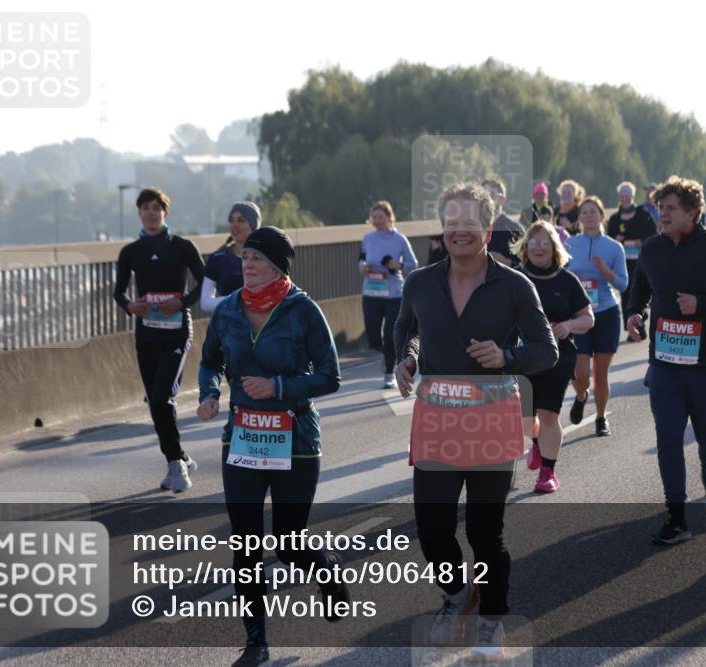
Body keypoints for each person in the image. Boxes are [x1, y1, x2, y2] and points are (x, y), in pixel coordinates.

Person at [394, 182, 557, 660]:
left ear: (487, 229)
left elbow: (545, 350)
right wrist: (406, 358)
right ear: (442, 229)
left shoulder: (514, 285)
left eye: (469, 224)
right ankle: (457, 594)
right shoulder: (420, 283)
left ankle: (492, 621)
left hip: (491, 417)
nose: (459, 232)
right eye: (451, 224)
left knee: (486, 533)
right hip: (437, 417)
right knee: (432, 528)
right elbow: (408, 328)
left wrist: (506, 355)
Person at [197, 226, 349, 665]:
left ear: (278, 265)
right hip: (242, 438)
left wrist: (278, 385)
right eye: (245, 257)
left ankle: (325, 569)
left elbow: (330, 375)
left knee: (287, 542)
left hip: (296, 439)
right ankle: (256, 641)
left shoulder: (302, 310)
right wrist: (209, 393)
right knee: (246, 545)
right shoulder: (227, 311)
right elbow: (210, 361)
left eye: (258, 258)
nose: (247, 264)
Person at [626, 175, 706, 545]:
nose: (662, 214)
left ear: (693, 213)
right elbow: (640, 292)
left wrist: (703, 305)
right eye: (659, 208)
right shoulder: (651, 249)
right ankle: (676, 516)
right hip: (664, 364)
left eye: (670, 209)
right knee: (668, 439)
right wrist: (634, 315)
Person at [114, 187, 205, 493]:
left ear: (166, 212)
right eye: (145, 208)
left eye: (156, 207)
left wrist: (183, 303)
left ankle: (176, 467)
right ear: (139, 213)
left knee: (160, 397)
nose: (151, 212)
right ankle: (178, 457)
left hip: (178, 332)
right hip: (146, 333)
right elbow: (118, 291)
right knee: (157, 401)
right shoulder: (130, 253)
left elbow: (206, 283)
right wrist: (130, 306)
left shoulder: (182, 247)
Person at [515, 221, 594, 492]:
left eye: (544, 243)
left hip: (558, 356)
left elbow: (588, 318)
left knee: (548, 414)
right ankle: (536, 442)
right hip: (521, 357)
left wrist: (569, 326)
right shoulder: (514, 278)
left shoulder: (566, 280)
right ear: (525, 247)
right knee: (526, 421)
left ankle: (547, 472)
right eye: (533, 243)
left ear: (554, 248)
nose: (538, 248)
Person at [566, 196, 628, 436]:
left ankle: (601, 418)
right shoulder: (569, 244)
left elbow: (623, 284)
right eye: (584, 212)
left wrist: (605, 271)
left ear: (602, 215)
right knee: (580, 374)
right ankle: (581, 396)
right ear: (580, 218)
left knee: (601, 375)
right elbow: (560, 274)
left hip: (606, 313)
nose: (589, 216)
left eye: (593, 212)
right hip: (579, 314)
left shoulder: (614, 247)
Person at [359, 200, 418, 388]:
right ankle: (385, 354)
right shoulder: (368, 238)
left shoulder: (399, 239)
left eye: (381, 217)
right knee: (373, 336)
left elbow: (413, 264)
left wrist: (397, 265)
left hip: (393, 293)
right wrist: (363, 267)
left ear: (389, 218)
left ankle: (388, 373)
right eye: (374, 217)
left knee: (392, 334)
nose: (377, 220)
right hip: (371, 291)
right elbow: (361, 260)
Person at [607, 181, 656, 341]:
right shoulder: (614, 219)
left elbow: (652, 234)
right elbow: (609, 238)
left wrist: (640, 241)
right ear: (619, 198)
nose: (625, 198)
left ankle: (640, 325)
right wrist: (617, 239)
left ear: (633, 196)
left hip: (641, 261)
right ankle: (631, 328)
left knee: (640, 292)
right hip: (622, 261)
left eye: (628, 195)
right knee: (626, 293)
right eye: (622, 196)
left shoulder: (643, 215)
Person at [201, 202, 260, 313]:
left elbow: (281, 292)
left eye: (241, 220)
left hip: (261, 328)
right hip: (227, 327)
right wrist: (235, 301)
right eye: (231, 220)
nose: (234, 225)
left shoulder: (268, 257)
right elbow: (205, 303)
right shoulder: (217, 258)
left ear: (254, 225)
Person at [482, 179, 527, 267]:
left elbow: (527, 263)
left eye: (492, 195)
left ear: (502, 200)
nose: (487, 200)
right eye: (483, 196)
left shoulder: (514, 229)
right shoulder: (473, 228)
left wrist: (508, 262)